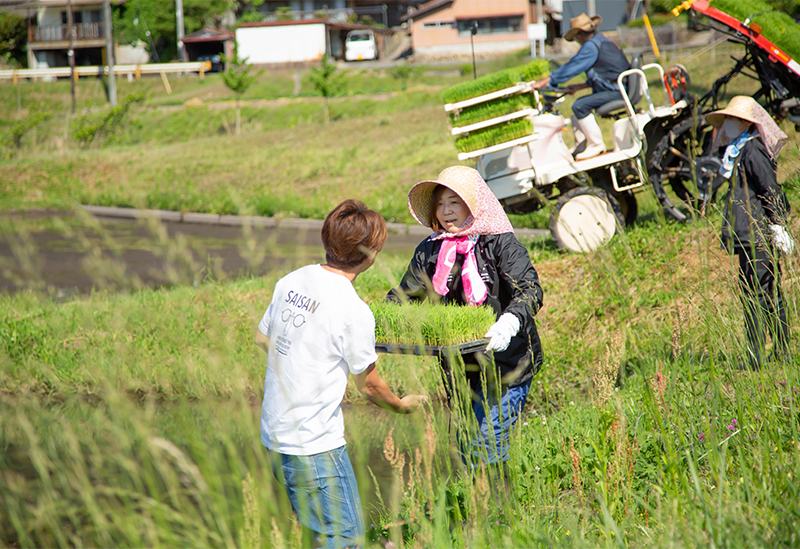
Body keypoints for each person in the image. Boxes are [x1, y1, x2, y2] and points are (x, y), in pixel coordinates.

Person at [255, 199, 427, 549]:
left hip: (274, 436)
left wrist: (302, 361)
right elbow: (371, 387)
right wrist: (403, 406)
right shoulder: (354, 310)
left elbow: (263, 337)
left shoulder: (292, 279)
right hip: (315, 446)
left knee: (316, 533)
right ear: (371, 254)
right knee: (344, 539)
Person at [387, 165, 544, 470]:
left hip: (508, 366)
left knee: (486, 443)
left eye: (454, 202)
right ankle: (480, 510)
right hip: (461, 371)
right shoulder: (431, 251)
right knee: (466, 446)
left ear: (474, 205)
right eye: (441, 204)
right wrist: (382, 319)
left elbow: (530, 290)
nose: (446, 211)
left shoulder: (500, 244)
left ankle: (497, 512)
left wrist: (509, 322)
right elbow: (404, 297)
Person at [705, 96, 793, 370]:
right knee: (761, 292)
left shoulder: (752, 150)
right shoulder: (737, 150)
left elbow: (770, 189)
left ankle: (763, 357)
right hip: (746, 233)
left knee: (760, 293)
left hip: (757, 233)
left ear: (744, 122)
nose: (727, 125)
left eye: (731, 119)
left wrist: (778, 224)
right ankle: (775, 353)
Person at [531, 12, 631, 160]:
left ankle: (596, 145)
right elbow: (606, 74)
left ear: (579, 34)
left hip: (618, 90)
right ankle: (583, 144)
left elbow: (573, 67)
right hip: (620, 86)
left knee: (579, 106)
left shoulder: (591, 47)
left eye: (576, 37)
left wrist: (545, 81)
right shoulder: (600, 40)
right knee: (579, 107)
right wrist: (578, 87)